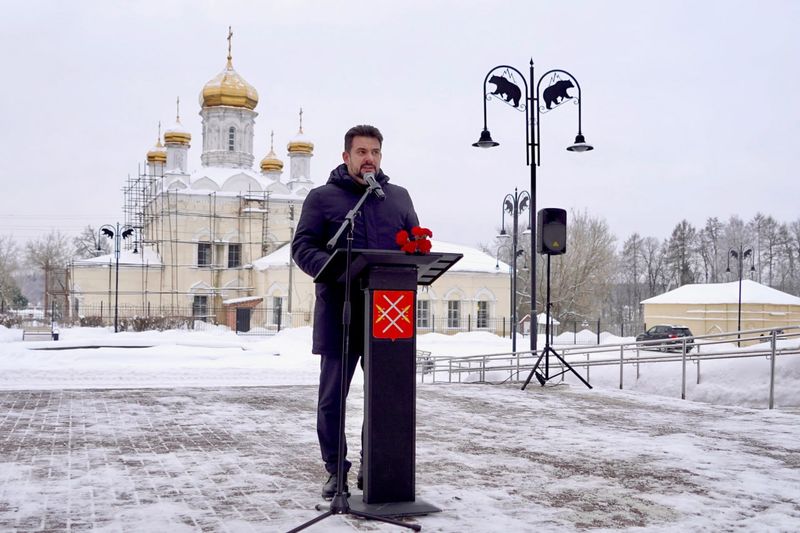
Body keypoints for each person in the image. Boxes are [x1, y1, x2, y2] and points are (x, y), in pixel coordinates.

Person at [291, 125, 419, 499]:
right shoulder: (323, 198)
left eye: (375, 152)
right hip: (340, 314)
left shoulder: (398, 197)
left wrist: (416, 252)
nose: (369, 159)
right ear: (346, 157)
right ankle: (335, 469)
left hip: (388, 316)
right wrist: (332, 269)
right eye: (362, 152)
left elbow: (414, 243)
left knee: (386, 398)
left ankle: (376, 465)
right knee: (333, 400)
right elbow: (302, 247)